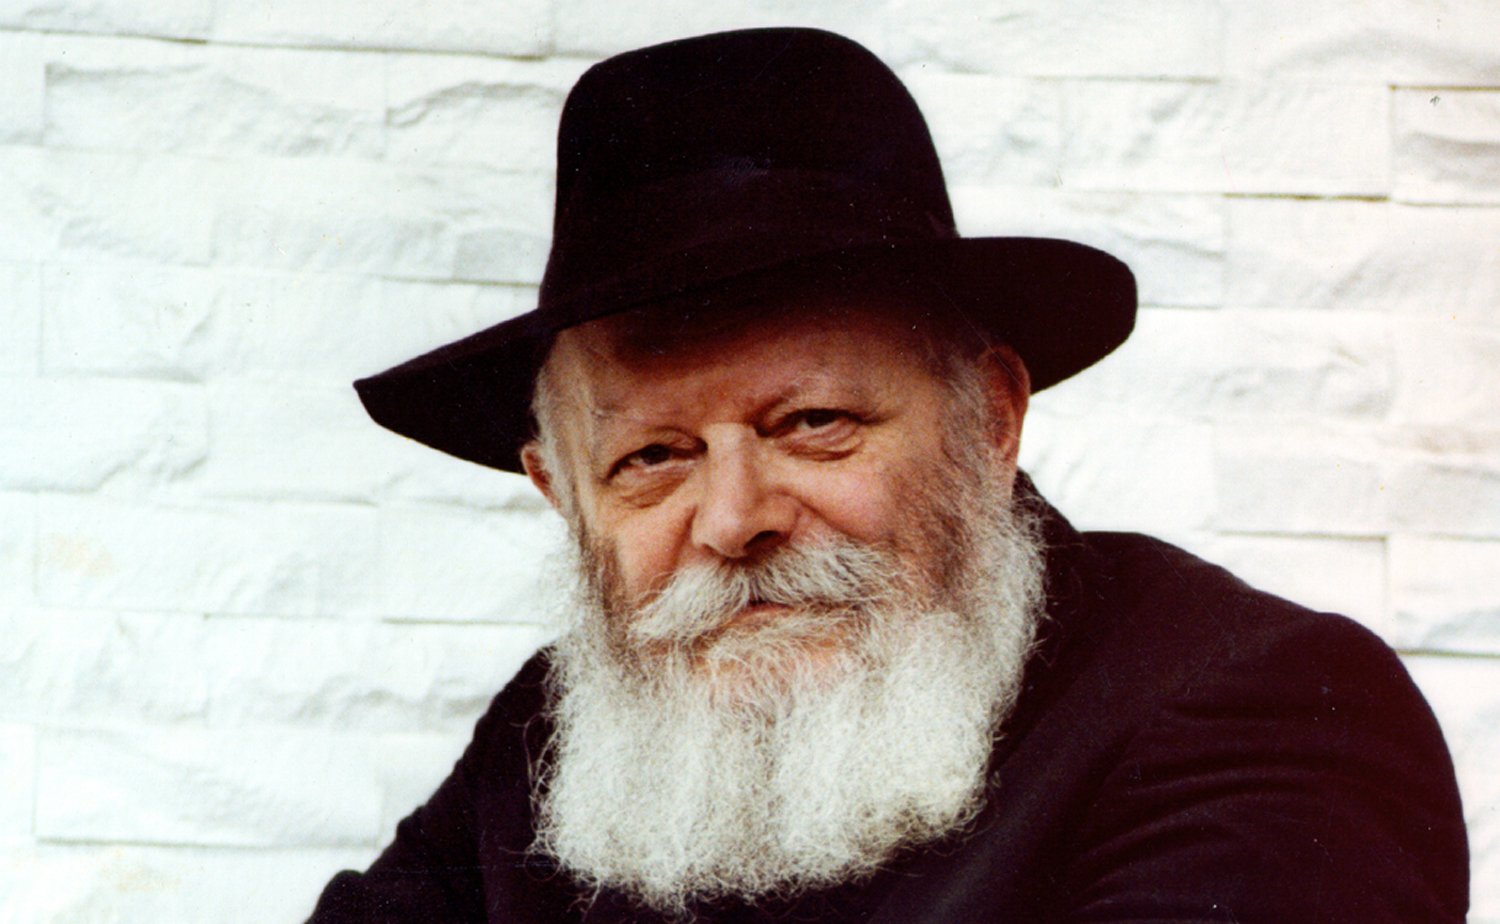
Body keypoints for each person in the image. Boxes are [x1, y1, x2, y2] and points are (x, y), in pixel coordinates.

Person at [309, 27, 1467, 923]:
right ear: (564, 497)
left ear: (991, 420)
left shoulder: (1261, 709)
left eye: (813, 423)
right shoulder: (548, 744)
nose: (734, 519)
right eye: (652, 457)